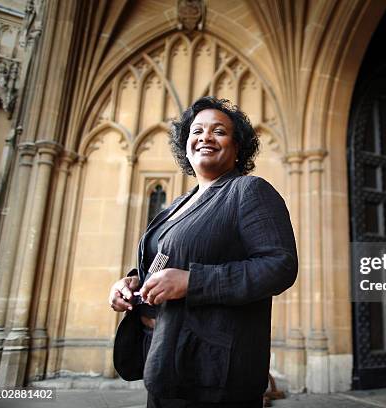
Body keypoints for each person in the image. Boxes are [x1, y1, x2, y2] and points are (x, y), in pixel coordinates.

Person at [108, 96, 298, 407]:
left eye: (219, 131)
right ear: (185, 144)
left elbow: (279, 266)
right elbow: (167, 260)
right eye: (196, 131)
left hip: (213, 373)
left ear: (238, 147)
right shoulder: (178, 204)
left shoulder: (249, 191)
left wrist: (192, 282)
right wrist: (132, 284)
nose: (205, 137)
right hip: (165, 357)